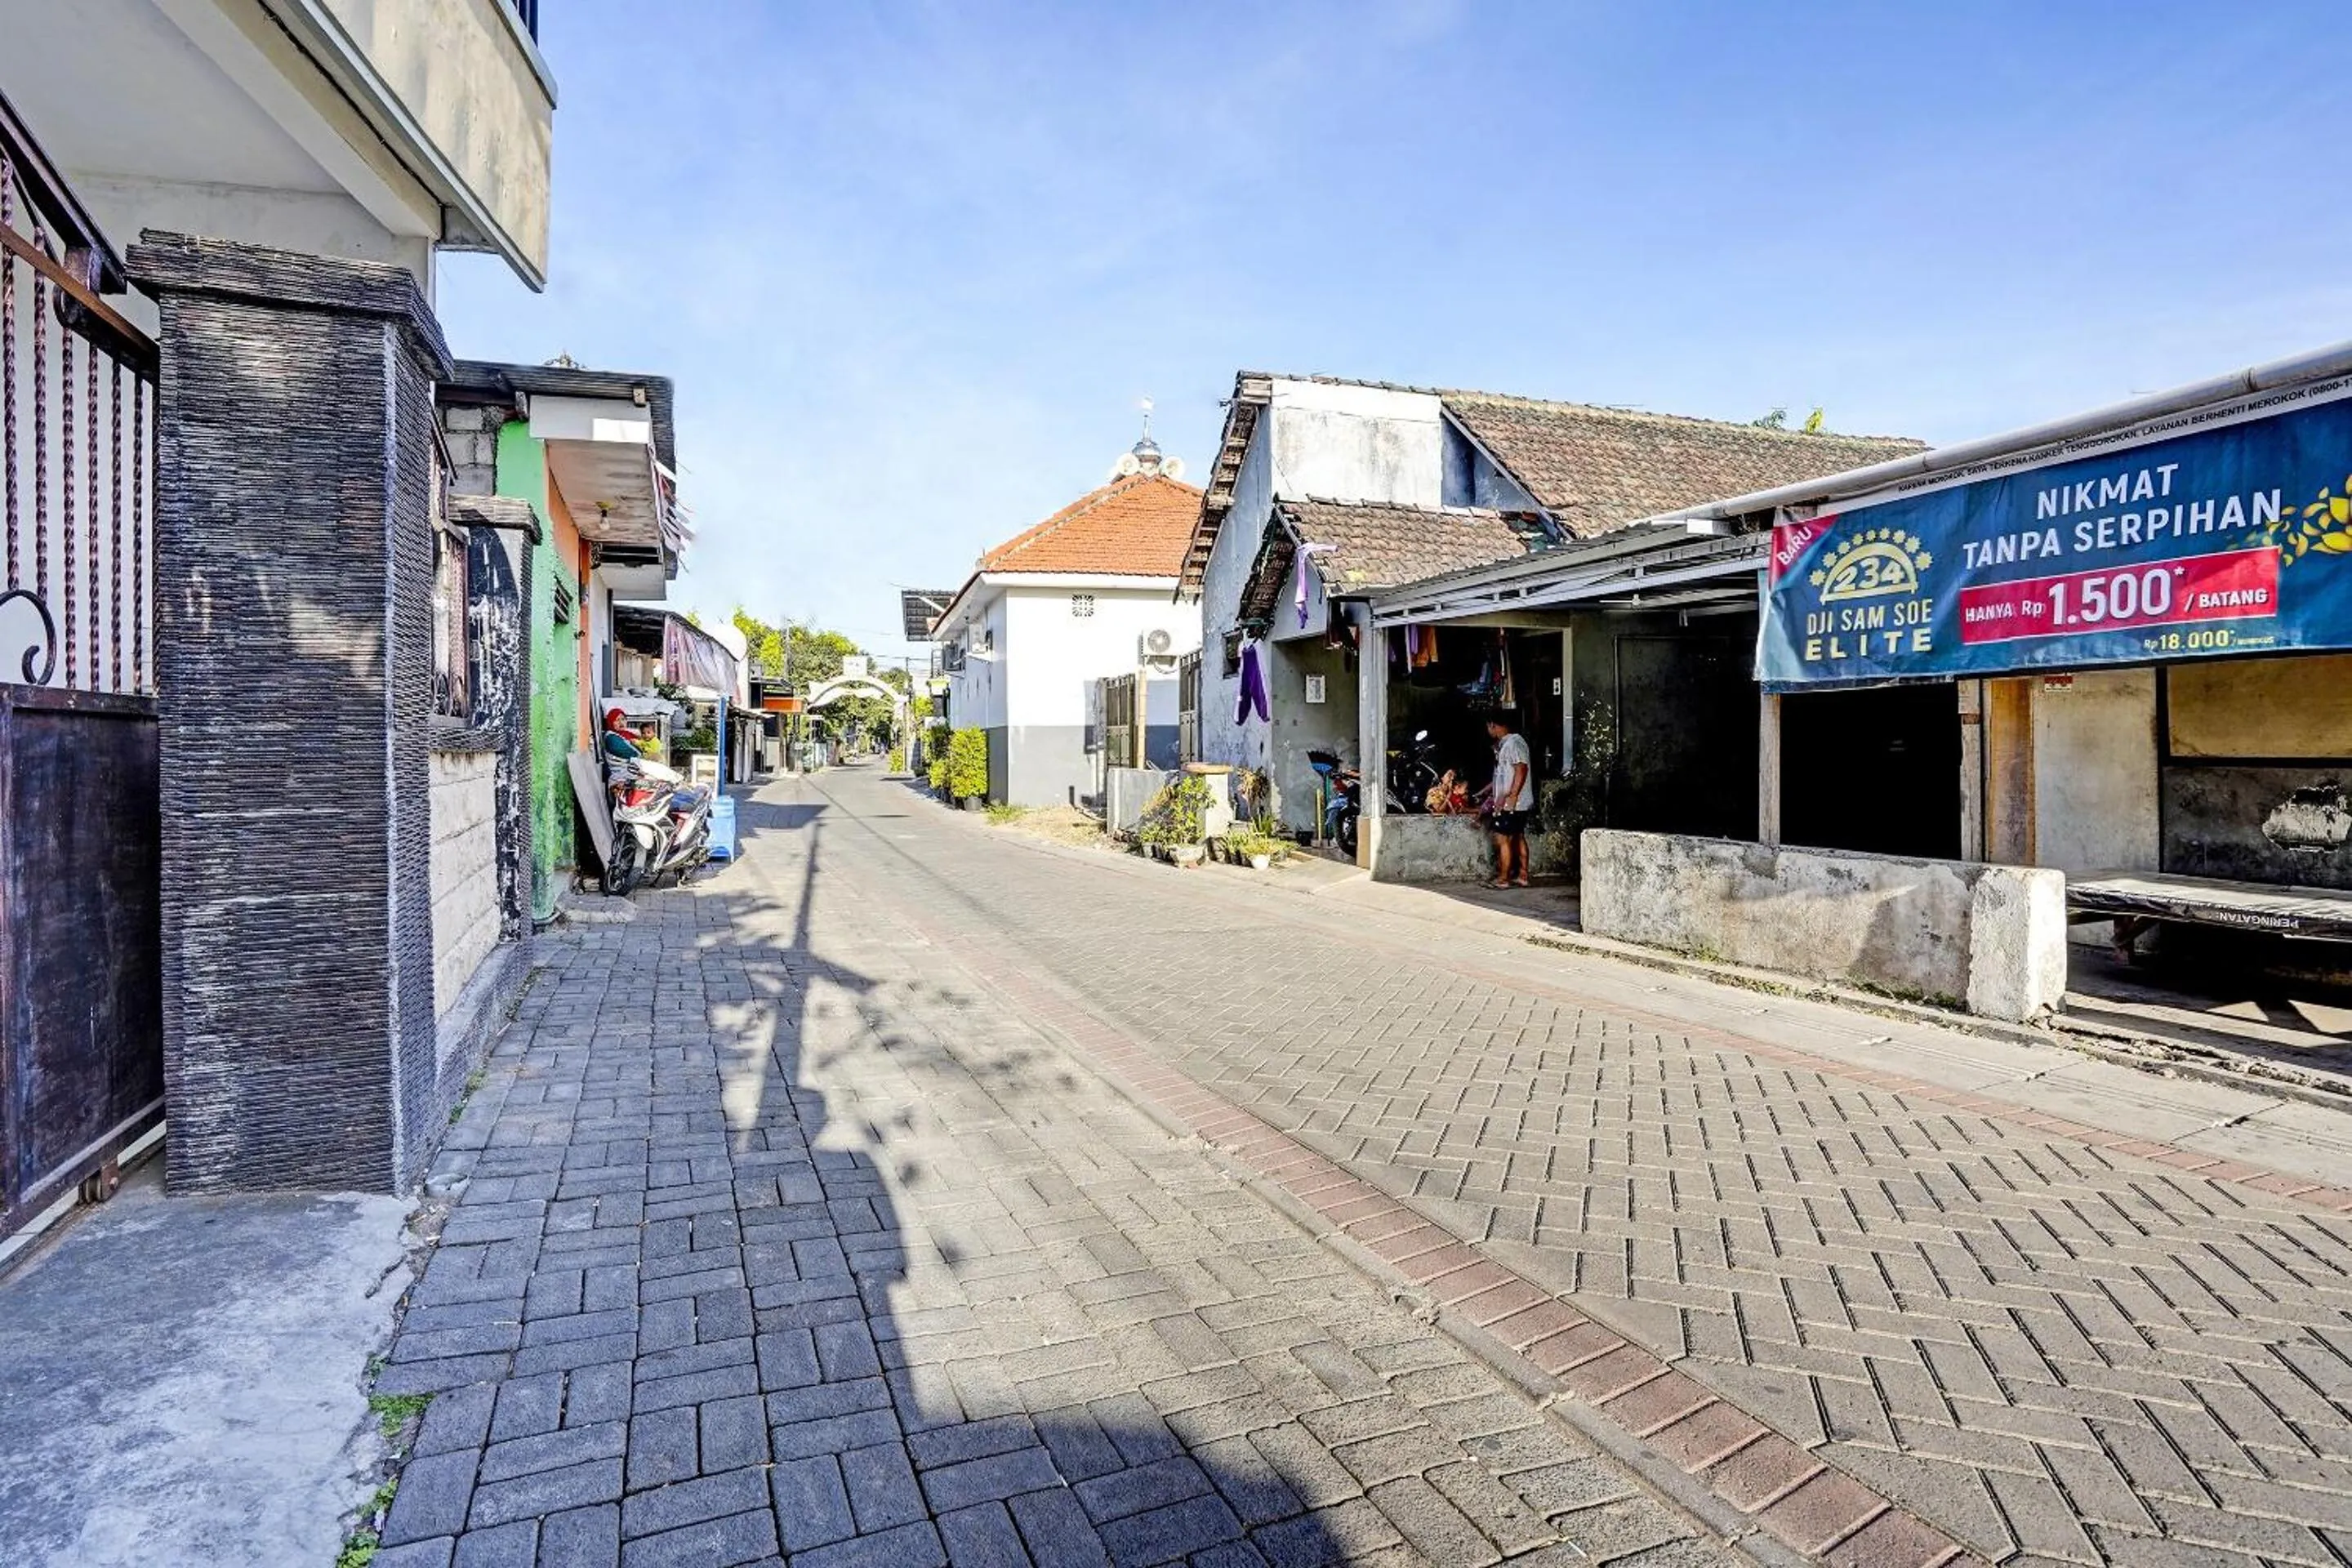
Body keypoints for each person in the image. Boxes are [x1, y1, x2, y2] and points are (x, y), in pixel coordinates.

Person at [1482, 711, 1533, 889]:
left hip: (1513, 803)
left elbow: (1521, 769)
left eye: (1489, 727)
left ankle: (1503, 879)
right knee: (1518, 837)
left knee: (1502, 839)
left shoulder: (1513, 743)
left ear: (1493, 725)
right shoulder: (1507, 745)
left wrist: (1512, 796)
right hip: (1513, 802)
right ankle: (1523, 876)